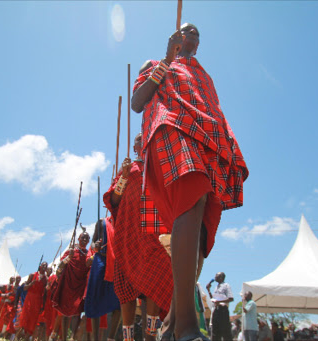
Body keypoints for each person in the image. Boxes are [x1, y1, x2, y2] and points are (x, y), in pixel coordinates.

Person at [131, 22, 249, 341]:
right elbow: (137, 102)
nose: (193, 36)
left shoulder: (205, 76)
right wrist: (167, 60)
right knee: (191, 196)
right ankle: (185, 327)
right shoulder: (155, 65)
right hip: (171, 127)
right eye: (187, 31)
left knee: (199, 227)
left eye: (197, 34)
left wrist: (227, 142)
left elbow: (214, 111)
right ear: (175, 37)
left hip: (205, 138)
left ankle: (171, 324)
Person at [103, 133, 173, 341]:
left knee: (154, 280)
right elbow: (114, 201)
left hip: (153, 232)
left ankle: (150, 335)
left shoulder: (159, 167)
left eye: (146, 137)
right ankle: (128, 337)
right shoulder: (129, 169)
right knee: (126, 289)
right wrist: (124, 176)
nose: (142, 141)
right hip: (128, 234)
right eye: (139, 139)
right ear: (135, 147)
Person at [84, 217, 121, 341]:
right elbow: (93, 242)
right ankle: (95, 338)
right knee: (95, 299)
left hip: (116, 264)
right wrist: (96, 246)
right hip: (100, 261)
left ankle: (111, 338)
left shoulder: (123, 219)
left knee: (120, 302)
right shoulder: (102, 222)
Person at [52, 232, 92, 341]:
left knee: (77, 312)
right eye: (83, 237)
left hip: (80, 286)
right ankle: (64, 338)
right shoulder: (71, 251)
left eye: (87, 238)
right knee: (64, 313)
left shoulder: (88, 253)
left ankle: (73, 337)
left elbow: (89, 265)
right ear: (78, 238)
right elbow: (60, 267)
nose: (85, 239)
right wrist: (68, 258)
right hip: (68, 284)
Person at [17, 262, 48, 339]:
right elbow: (25, 288)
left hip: (38, 300)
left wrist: (43, 305)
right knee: (26, 316)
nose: (44, 267)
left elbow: (44, 293)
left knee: (33, 319)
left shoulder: (46, 279)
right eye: (43, 265)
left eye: (46, 266)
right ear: (40, 266)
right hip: (30, 298)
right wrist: (31, 284)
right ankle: (19, 335)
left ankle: (27, 337)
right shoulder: (32, 275)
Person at [206, 272, 233, 341]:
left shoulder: (226, 285)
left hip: (223, 310)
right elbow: (213, 299)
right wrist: (208, 290)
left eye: (216, 276)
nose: (215, 277)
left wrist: (219, 302)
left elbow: (231, 298)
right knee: (215, 331)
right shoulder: (216, 287)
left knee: (225, 331)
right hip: (216, 310)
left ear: (221, 277)